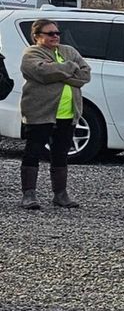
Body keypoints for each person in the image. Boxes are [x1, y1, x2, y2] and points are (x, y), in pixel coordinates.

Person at [17, 19, 90, 209]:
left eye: (57, 33)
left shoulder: (69, 51)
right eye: (50, 33)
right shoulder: (32, 53)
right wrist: (69, 68)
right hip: (40, 111)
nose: (55, 36)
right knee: (33, 151)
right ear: (37, 36)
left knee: (61, 153)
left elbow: (85, 75)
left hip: (67, 113)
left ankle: (60, 194)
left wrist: (57, 71)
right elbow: (41, 72)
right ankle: (29, 195)